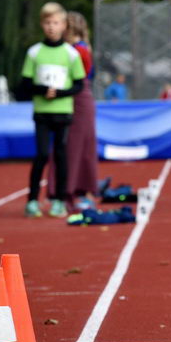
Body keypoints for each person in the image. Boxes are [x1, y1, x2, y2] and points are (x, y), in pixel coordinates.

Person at [21, 2, 87, 218]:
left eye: (56, 23)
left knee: (60, 155)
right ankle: (32, 200)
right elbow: (25, 84)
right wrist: (42, 90)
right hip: (41, 112)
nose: (51, 27)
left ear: (64, 26)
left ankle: (59, 200)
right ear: (42, 24)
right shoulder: (34, 52)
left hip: (63, 112)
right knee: (40, 154)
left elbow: (79, 84)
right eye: (48, 23)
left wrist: (59, 93)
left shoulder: (71, 54)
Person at [63, 12, 99, 210]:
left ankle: (82, 191)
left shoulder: (79, 50)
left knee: (81, 146)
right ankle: (73, 191)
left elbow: (81, 76)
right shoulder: (76, 48)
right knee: (73, 146)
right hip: (71, 98)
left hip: (78, 98)